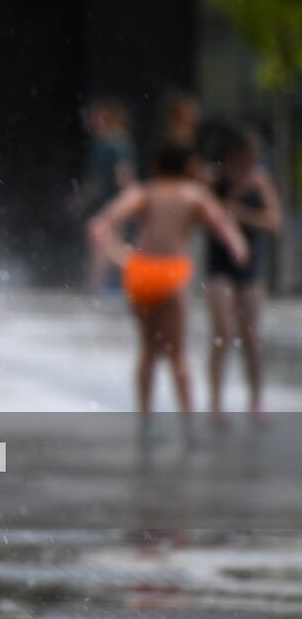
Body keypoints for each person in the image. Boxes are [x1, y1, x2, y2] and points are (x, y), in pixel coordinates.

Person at [89, 144, 248, 428]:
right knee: (177, 354)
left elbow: (100, 225)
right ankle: (187, 423)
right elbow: (222, 223)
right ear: (188, 168)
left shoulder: (145, 192)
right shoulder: (194, 194)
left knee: (148, 351)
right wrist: (237, 245)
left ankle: (146, 421)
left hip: (140, 271)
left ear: (157, 165)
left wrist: (118, 256)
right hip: (171, 273)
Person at [205, 128, 281, 426]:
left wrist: (241, 212)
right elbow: (206, 217)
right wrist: (230, 200)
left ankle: (256, 398)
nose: (249, 163)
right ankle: (215, 402)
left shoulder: (260, 183)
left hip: (252, 268)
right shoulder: (214, 181)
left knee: (250, 336)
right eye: (244, 158)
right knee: (222, 332)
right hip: (220, 266)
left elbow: (273, 221)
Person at [80, 99, 137, 293]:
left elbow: (124, 175)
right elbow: (96, 181)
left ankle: (139, 270)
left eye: (96, 117)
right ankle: (94, 290)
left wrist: (132, 201)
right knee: (102, 246)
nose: (91, 121)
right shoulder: (102, 143)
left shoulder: (117, 143)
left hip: (116, 205)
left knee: (105, 245)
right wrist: (81, 200)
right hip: (109, 204)